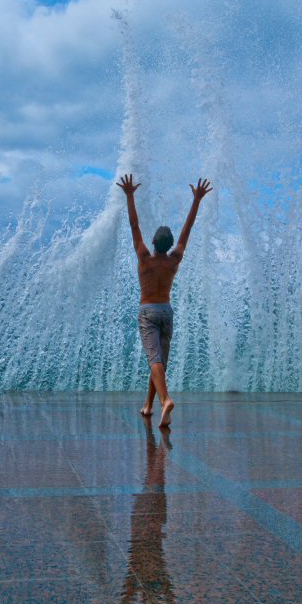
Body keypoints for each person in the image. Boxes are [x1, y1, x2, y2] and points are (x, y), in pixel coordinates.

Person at [116, 174, 213, 427]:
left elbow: (134, 225)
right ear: (170, 245)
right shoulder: (174, 260)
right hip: (166, 311)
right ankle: (148, 405)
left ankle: (165, 400)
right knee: (159, 360)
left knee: (154, 359)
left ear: (152, 243)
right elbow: (187, 230)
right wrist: (197, 201)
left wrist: (129, 196)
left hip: (148, 311)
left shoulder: (144, 257)